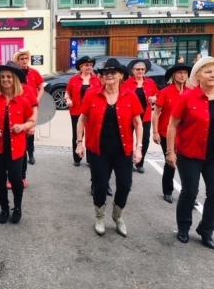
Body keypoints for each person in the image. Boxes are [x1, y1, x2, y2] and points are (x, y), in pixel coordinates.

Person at [76, 59, 143, 237]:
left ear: (121, 75)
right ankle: (99, 217)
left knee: (125, 185)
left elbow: (138, 123)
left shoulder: (130, 96)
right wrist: (79, 142)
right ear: (102, 77)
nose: (110, 75)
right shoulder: (92, 94)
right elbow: (82, 120)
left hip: (123, 150)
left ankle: (117, 215)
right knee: (99, 185)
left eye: (114, 72)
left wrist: (139, 147)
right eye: (106, 73)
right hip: (98, 150)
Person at [166, 56, 214, 249]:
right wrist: (170, 151)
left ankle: (206, 229)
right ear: (198, 76)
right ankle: (184, 227)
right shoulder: (187, 97)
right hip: (190, 153)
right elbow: (172, 124)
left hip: (213, 156)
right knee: (189, 192)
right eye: (208, 71)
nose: (213, 75)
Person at [0, 62, 36, 224]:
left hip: (16, 147)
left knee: (15, 178)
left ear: (15, 79)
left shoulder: (23, 100)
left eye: (9, 77)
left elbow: (31, 120)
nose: (5, 79)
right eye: (3, 77)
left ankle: (17, 207)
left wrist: (23, 126)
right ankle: (4, 208)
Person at [152, 62, 192, 203]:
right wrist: (155, 132)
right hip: (166, 132)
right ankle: (168, 190)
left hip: (186, 134)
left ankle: (189, 194)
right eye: (179, 73)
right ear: (174, 75)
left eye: (185, 73)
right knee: (170, 161)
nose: (182, 75)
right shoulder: (165, 92)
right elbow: (156, 113)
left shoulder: (190, 92)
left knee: (187, 164)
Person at [64, 56, 101, 167]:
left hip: (92, 112)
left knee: (91, 134)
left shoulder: (97, 80)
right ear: (81, 67)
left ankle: (90, 158)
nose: (89, 67)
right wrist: (68, 99)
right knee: (77, 134)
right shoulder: (73, 79)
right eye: (86, 65)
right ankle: (77, 157)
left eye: (90, 65)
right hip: (76, 111)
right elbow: (67, 93)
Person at [123, 59, 159, 173]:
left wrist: (154, 98)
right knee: (127, 139)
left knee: (144, 140)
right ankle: (127, 162)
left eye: (142, 69)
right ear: (132, 70)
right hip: (129, 116)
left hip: (145, 116)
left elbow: (157, 93)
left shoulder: (150, 82)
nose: (140, 71)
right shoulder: (127, 82)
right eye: (137, 69)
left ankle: (140, 163)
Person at [13, 48, 44, 165]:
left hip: (31, 107)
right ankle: (21, 154)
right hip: (19, 107)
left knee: (30, 132)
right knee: (21, 131)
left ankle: (30, 153)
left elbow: (41, 88)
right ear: (18, 61)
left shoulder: (34, 73)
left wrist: (37, 99)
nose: (24, 60)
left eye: (26, 58)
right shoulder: (16, 73)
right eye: (22, 59)